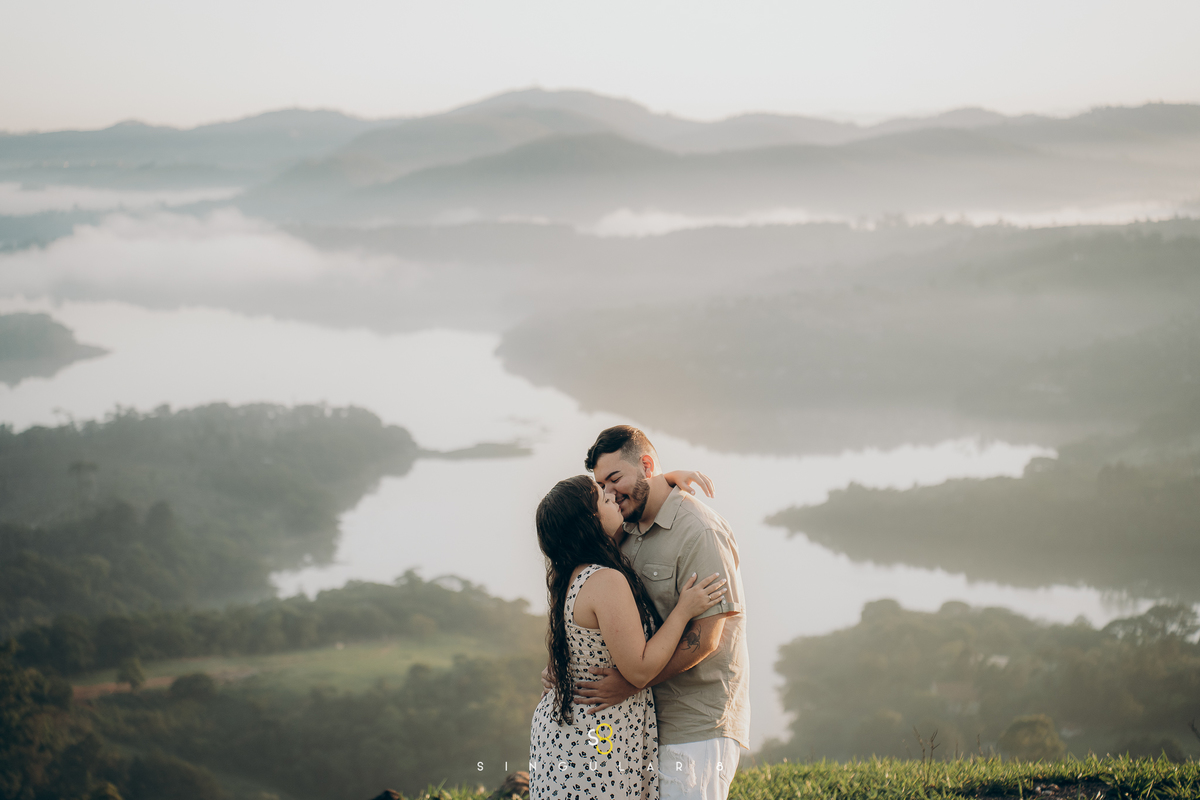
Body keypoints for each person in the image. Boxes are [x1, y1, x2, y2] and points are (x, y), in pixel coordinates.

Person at [573, 425, 749, 800]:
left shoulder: (700, 531)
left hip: (695, 722)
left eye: (615, 478)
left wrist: (630, 682)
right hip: (644, 722)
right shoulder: (625, 526)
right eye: (602, 485)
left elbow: (706, 640)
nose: (609, 493)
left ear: (647, 465)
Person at [530, 473, 728, 800]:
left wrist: (663, 478)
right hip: (596, 736)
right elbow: (639, 669)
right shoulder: (605, 580)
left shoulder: (568, 574)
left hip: (569, 732)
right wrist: (684, 610)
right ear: (591, 521)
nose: (612, 495)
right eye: (603, 497)